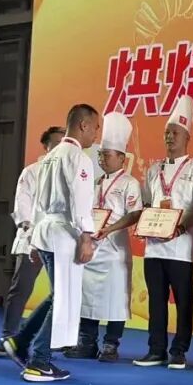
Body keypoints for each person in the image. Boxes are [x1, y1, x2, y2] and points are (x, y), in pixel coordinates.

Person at [1, 104, 99, 382]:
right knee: (65, 299)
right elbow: (80, 201)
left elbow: (37, 206)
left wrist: (33, 240)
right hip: (64, 234)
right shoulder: (78, 158)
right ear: (83, 125)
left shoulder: (48, 158)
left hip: (44, 231)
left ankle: (21, 341)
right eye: (95, 127)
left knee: (59, 295)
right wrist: (86, 236)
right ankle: (39, 361)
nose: (96, 134)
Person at [136, 95, 193, 369]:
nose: (169, 137)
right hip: (154, 247)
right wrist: (146, 224)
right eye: (167, 132)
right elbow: (146, 204)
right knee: (156, 300)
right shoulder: (153, 170)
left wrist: (179, 228)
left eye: (175, 133)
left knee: (183, 301)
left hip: (180, 248)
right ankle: (156, 350)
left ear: (187, 137)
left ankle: (179, 351)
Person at [65, 113, 143, 363]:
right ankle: (86, 342)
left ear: (121, 157)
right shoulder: (95, 181)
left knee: (116, 299)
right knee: (87, 297)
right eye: (100, 155)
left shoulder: (130, 183)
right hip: (93, 249)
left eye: (106, 155)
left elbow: (135, 214)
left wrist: (110, 229)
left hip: (114, 251)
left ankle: (110, 345)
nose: (102, 159)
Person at [0, 126, 64, 357]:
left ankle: (56, 338)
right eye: (56, 143)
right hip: (32, 238)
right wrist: (28, 228)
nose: (61, 147)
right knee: (21, 288)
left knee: (61, 292)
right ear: (46, 146)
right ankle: (8, 337)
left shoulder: (68, 172)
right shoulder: (31, 172)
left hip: (59, 240)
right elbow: (22, 203)